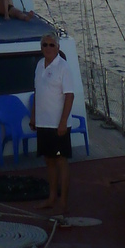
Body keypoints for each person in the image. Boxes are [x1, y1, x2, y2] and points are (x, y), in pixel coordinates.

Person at [30, 33, 75, 215]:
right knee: (48, 160)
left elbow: (70, 95)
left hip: (58, 124)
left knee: (61, 160)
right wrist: (33, 116)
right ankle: (51, 198)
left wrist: (63, 121)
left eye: (51, 45)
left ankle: (63, 202)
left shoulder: (63, 68)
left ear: (57, 47)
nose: (47, 48)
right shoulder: (39, 65)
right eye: (44, 45)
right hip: (43, 123)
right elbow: (36, 92)